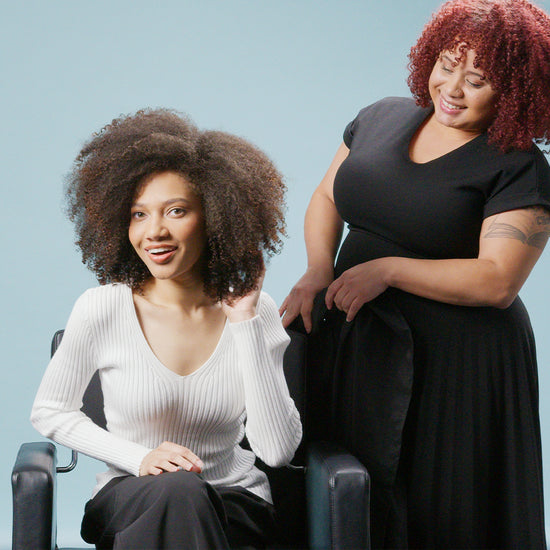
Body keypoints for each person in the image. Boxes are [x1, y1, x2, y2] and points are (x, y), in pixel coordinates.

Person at [279, 0, 550, 548]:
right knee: (351, 494)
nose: (453, 87)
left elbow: (498, 280)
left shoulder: (519, 166)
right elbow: (328, 196)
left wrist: (389, 270)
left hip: (458, 364)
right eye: (447, 64)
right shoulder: (380, 116)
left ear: (517, 90)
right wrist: (315, 270)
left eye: (478, 80)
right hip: (357, 340)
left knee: (442, 510)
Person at [31, 108, 302, 550]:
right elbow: (50, 411)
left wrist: (244, 322)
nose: (154, 231)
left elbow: (276, 452)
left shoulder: (255, 314)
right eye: (139, 214)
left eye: (176, 211)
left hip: (233, 504)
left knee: (186, 494)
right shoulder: (101, 308)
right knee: (178, 490)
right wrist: (140, 459)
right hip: (131, 496)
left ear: (215, 217)